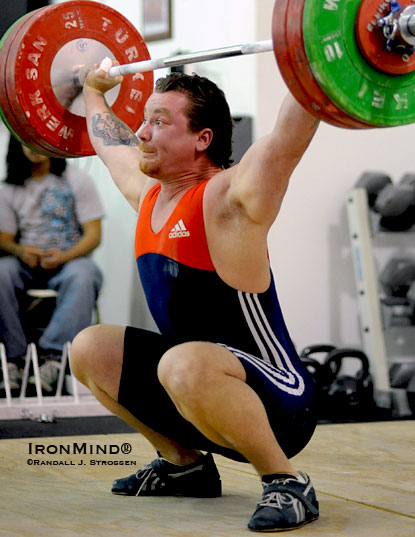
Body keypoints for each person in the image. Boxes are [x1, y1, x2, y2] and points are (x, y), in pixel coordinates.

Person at [70, 61, 320, 532]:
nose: (142, 132)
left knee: (180, 362)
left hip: (279, 402)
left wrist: (314, 65)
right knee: (88, 348)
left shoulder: (229, 199)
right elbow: (109, 144)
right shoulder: (148, 195)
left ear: (202, 139)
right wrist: (92, 89)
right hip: (192, 383)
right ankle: (183, 464)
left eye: (160, 122)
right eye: (145, 120)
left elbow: (285, 144)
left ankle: (287, 481)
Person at [0, 137, 104, 393]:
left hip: (67, 262)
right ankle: (12, 359)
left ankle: (54, 359)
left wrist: (64, 256)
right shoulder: (8, 188)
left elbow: (93, 235)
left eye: (40, 142)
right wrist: (20, 251)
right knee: (1, 272)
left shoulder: (77, 180)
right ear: (17, 146)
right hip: (25, 263)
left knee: (85, 274)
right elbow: (5, 240)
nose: (34, 148)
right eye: (28, 142)